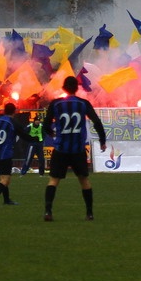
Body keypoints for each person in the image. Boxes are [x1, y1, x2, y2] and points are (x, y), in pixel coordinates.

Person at [42, 76, 107, 222]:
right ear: (76, 88)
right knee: (84, 180)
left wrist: (50, 132)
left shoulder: (56, 104)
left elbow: (46, 124)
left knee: (53, 180)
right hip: (78, 149)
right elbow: (96, 122)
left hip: (61, 148)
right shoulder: (83, 104)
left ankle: (48, 211)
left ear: (64, 87)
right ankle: (89, 213)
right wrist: (102, 140)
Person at [0, 103, 34, 206]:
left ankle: (6, 200)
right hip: (5, 154)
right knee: (6, 179)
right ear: (14, 111)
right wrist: (35, 139)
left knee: (3, 177)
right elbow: (24, 135)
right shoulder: (13, 123)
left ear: (4, 110)